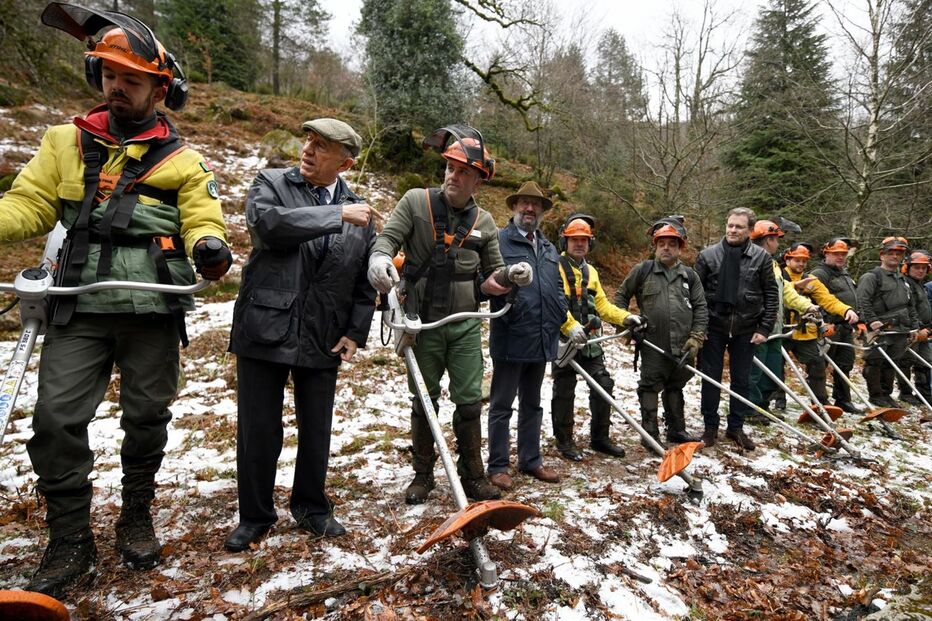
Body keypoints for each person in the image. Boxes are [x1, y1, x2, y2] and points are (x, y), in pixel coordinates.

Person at [0, 5, 229, 597]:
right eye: (107, 75)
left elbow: (205, 218)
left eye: (130, 78)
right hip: (78, 304)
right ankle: (70, 539)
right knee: (55, 419)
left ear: (160, 87)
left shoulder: (183, 160)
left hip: (152, 308)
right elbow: (27, 205)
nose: (116, 87)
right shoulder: (63, 143)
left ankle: (136, 514)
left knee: (147, 417)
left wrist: (209, 247)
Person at [225, 119, 377, 551]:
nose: (308, 150)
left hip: (324, 333)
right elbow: (269, 226)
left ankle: (312, 508)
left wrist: (355, 331)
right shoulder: (271, 182)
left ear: (344, 162)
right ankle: (254, 516)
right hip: (265, 325)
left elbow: (365, 279)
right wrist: (336, 215)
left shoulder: (361, 212)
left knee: (317, 429)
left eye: (322, 146)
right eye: (308, 141)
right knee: (259, 429)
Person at [367, 125, 532, 504]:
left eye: (464, 172)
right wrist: (378, 259)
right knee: (423, 399)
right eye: (450, 169)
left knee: (470, 401)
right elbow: (387, 240)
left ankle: (473, 474)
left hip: (465, 326)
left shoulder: (485, 223)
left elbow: (492, 275)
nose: (454, 177)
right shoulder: (415, 202)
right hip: (420, 325)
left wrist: (511, 275)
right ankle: (422, 475)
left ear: (478, 181)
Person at [486, 182, 565, 491]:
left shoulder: (548, 248)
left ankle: (531, 461)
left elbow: (556, 287)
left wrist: (559, 315)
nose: (529, 209)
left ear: (542, 211)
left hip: (542, 337)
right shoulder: (499, 242)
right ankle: (498, 465)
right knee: (502, 405)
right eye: (524, 203)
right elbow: (487, 281)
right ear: (514, 207)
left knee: (533, 404)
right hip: (510, 335)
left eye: (536, 204)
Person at [551, 214, 640, 461]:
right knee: (564, 390)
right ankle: (565, 441)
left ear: (590, 243)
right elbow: (552, 303)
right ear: (564, 241)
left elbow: (602, 306)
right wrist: (569, 326)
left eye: (584, 240)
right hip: (564, 342)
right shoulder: (553, 266)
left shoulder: (591, 272)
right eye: (573, 240)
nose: (579, 244)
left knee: (604, 386)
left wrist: (625, 318)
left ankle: (600, 438)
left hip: (591, 343)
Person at [614, 218, 708, 448]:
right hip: (652, 341)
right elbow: (621, 296)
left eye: (672, 244)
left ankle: (676, 430)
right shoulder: (643, 270)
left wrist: (696, 338)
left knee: (676, 384)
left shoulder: (690, 276)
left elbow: (701, 308)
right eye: (662, 243)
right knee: (650, 385)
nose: (666, 247)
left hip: (683, 343)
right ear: (655, 246)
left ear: (680, 248)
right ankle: (650, 434)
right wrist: (624, 325)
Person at [694, 208, 779, 450]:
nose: (733, 230)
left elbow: (771, 295)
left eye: (739, 227)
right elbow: (694, 293)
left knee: (741, 380)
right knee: (710, 379)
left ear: (750, 231)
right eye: (730, 225)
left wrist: (765, 327)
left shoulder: (762, 258)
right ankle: (710, 427)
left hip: (746, 328)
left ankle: (736, 427)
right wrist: (699, 327)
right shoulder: (708, 256)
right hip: (713, 326)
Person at [746, 221, 817, 422]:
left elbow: (786, 292)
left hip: (775, 329)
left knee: (772, 372)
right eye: (776, 239)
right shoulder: (749, 262)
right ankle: (750, 409)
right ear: (768, 240)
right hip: (757, 329)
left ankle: (763, 406)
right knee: (755, 373)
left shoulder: (774, 265)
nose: (778, 244)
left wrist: (808, 306)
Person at [782, 242, 859, 406]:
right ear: (788, 260)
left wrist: (846, 310)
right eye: (797, 260)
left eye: (804, 261)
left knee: (817, 366)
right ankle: (777, 400)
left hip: (805, 332)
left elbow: (828, 299)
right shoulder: (781, 277)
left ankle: (821, 403)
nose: (801, 264)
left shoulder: (811, 280)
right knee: (776, 366)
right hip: (782, 332)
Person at [856, 237, 920, 408]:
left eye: (898, 254)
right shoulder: (872, 277)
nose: (894, 256)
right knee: (875, 361)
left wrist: (914, 326)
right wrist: (872, 321)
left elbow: (910, 305)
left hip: (900, 329)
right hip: (880, 328)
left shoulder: (903, 279)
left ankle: (886, 394)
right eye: (890, 253)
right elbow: (862, 301)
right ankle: (875, 395)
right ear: (881, 255)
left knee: (891, 362)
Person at [808, 238, 864, 413]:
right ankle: (819, 402)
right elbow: (814, 300)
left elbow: (853, 298)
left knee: (845, 364)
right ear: (826, 254)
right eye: (836, 254)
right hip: (828, 326)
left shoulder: (844, 273)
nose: (840, 257)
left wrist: (860, 321)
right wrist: (824, 322)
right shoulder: (819, 274)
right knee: (819, 365)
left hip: (845, 327)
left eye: (843, 254)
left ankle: (843, 399)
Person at [897, 250, 931, 406]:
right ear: (907, 267)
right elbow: (907, 309)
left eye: (924, 268)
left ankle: (923, 392)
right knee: (906, 360)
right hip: (911, 330)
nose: (921, 270)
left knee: (925, 361)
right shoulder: (905, 284)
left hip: (924, 329)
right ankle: (905, 392)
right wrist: (915, 328)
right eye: (917, 267)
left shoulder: (921, 286)